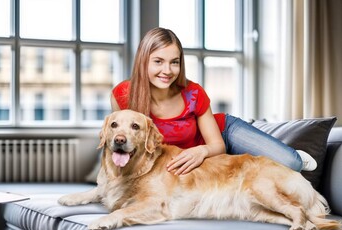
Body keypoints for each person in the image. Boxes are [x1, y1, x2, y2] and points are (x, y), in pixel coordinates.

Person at [110, 27, 317, 175]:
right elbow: (120, 146)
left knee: (292, 163)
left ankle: (266, 140)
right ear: (143, 61)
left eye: (175, 62)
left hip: (223, 135)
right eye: (158, 62)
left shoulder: (193, 93)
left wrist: (202, 151)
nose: (167, 70)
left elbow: (217, 145)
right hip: (199, 157)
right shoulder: (123, 95)